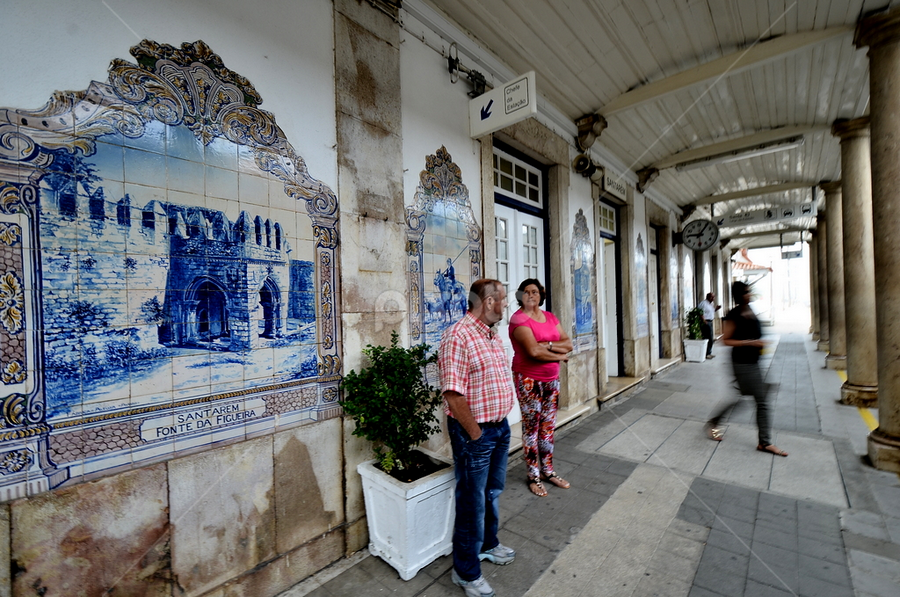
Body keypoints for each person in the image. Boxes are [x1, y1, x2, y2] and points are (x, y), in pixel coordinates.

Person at [439, 278, 517, 597]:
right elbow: (453, 394)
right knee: (471, 503)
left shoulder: (491, 335)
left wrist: (500, 424)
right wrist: (475, 434)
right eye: (503, 299)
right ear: (488, 302)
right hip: (476, 433)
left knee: (492, 492)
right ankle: (466, 572)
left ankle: (487, 545)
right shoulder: (458, 335)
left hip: (500, 428)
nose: (506, 304)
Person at [706, 281, 788, 457]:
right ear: (738, 296)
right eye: (745, 292)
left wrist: (759, 343)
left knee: (743, 398)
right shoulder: (734, 315)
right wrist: (750, 342)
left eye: (749, 291)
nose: (748, 294)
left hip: (754, 362)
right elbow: (725, 340)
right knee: (762, 402)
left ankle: (714, 422)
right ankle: (764, 442)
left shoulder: (750, 310)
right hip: (742, 363)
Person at [509, 279, 574, 497]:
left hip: (551, 379)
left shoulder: (550, 317)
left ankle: (547, 471)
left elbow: (568, 343)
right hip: (529, 380)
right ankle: (533, 476)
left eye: (535, 291)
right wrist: (559, 355)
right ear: (521, 296)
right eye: (526, 292)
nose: (531, 295)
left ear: (540, 295)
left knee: (547, 427)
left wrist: (548, 345)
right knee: (532, 428)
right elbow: (533, 352)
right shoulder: (518, 319)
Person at [698, 292, 720, 359]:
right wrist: (704, 321)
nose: (713, 298)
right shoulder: (703, 303)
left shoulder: (711, 304)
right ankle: (707, 353)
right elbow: (700, 312)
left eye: (714, 297)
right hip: (706, 322)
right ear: (708, 297)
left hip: (710, 321)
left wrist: (716, 309)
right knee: (708, 337)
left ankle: (709, 352)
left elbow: (711, 312)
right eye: (712, 297)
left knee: (710, 338)